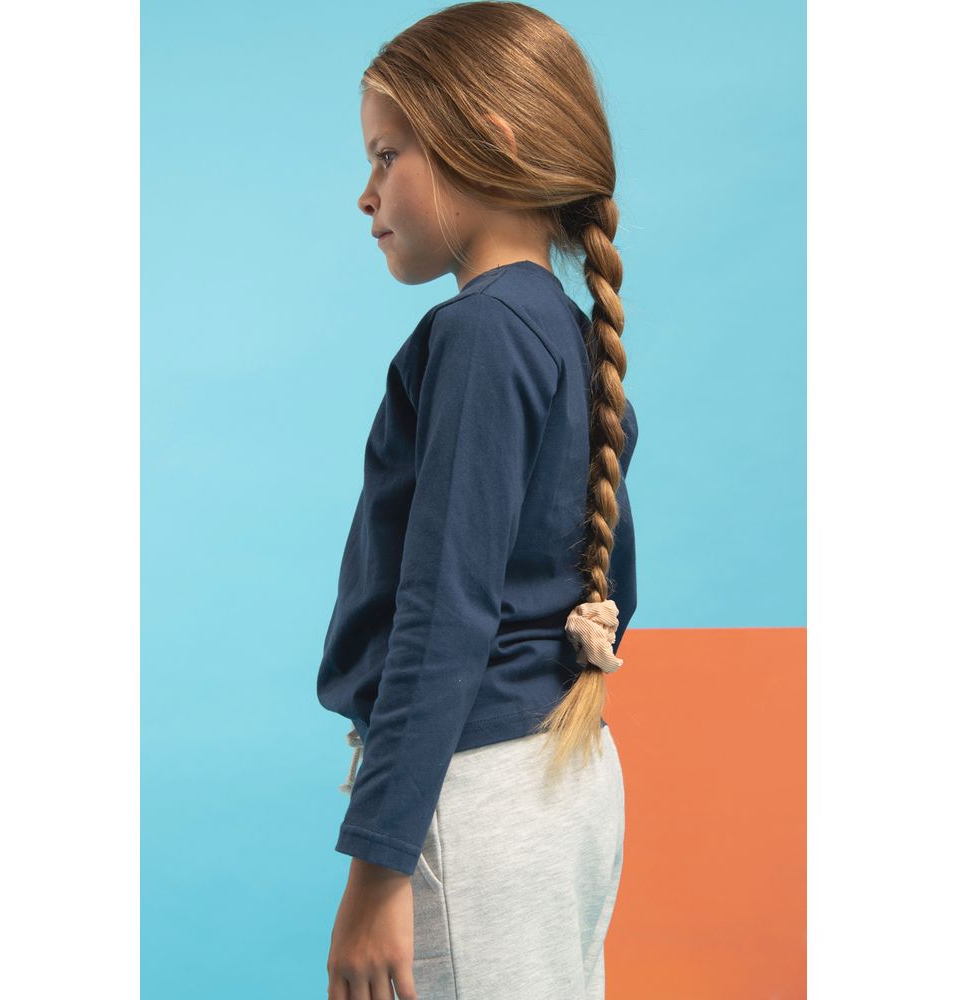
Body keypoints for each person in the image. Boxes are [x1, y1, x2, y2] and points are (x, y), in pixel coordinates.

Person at [317, 3, 639, 997]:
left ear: (488, 143)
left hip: (477, 800)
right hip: (566, 782)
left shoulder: (478, 335)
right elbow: (612, 584)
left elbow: (444, 611)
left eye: (387, 156)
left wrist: (378, 860)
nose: (366, 194)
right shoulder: (573, 337)